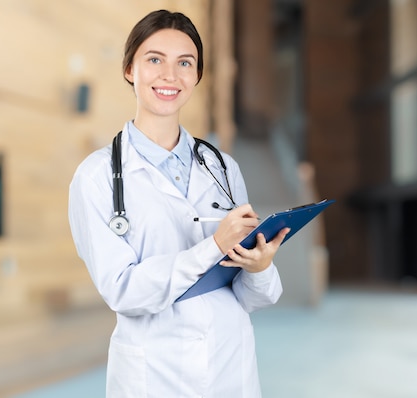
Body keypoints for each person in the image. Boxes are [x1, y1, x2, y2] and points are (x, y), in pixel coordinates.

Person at [68, 9, 288, 397]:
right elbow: (123, 291)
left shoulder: (222, 167)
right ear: (129, 70)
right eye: (155, 60)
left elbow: (251, 298)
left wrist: (260, 267)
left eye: (185, 63)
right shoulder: (97, 176)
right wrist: (213, 247)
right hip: (154, 374)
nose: (170, 76)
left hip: (228, 367)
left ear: (197, 76)